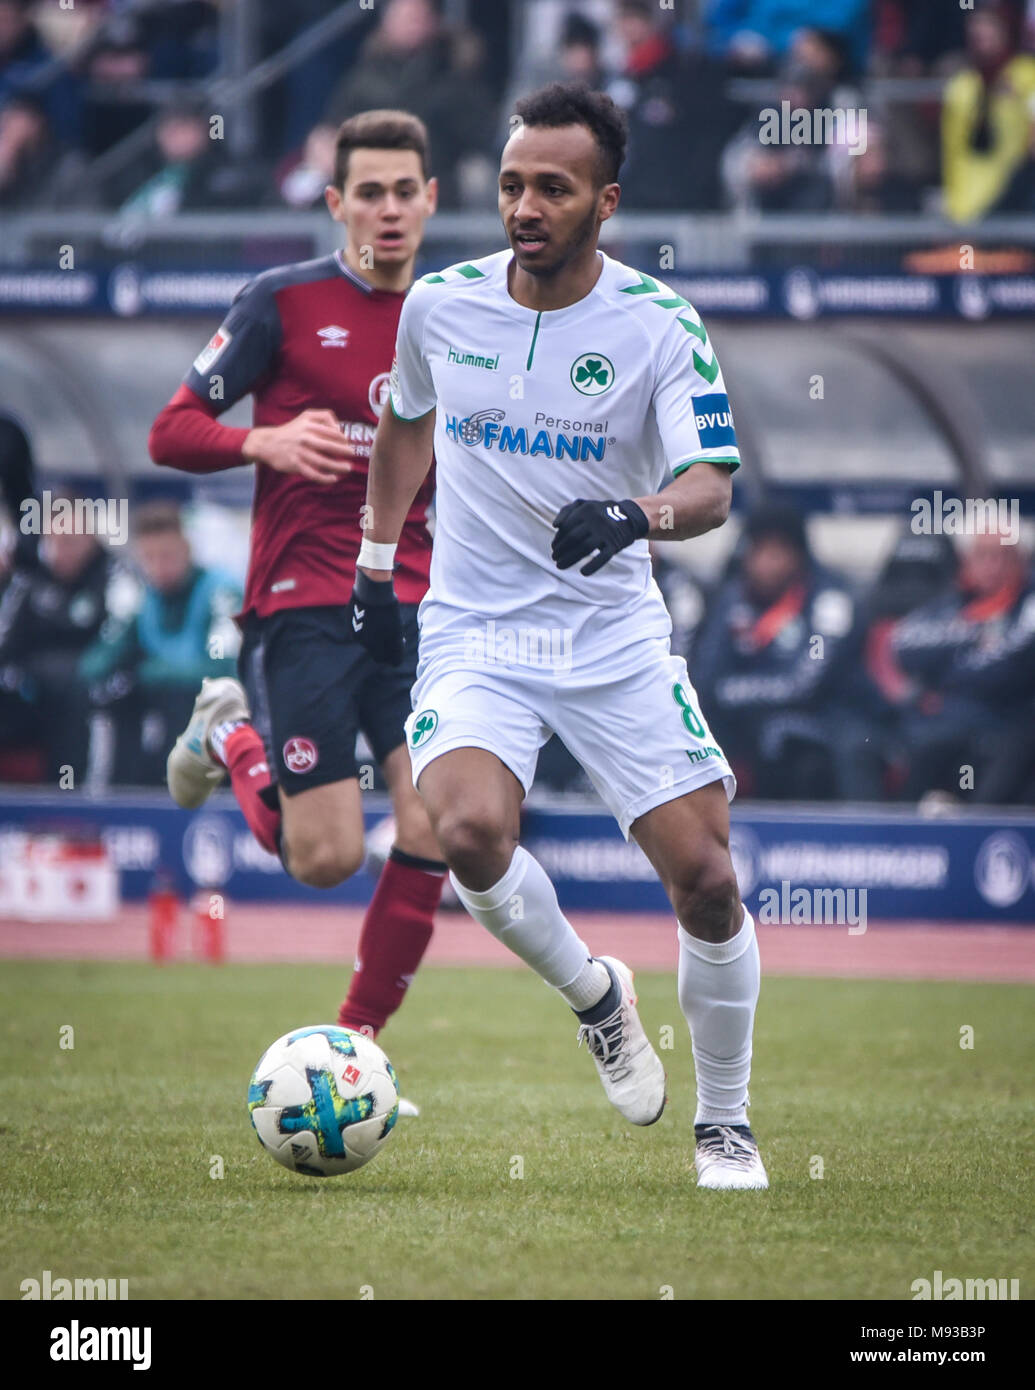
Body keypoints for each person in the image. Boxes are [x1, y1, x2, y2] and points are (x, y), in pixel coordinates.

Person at [349, 82, 767, 1190]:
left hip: (612, 640)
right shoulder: (439, 304)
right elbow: (403, 428)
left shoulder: (658, 323)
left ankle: (724, 1124)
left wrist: (640, 513)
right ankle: (597, 997)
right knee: (470, 828)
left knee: (709, 879)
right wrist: (379, 561)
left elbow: (713, 485)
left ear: (606, 201)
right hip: (478, 633)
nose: (525, 206)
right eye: (512, 185)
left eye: (554, 188)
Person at [148, 111, 445, 1090]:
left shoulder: (464, 313)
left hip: (416, 605)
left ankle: (357, 1040)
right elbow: (172, 430)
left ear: (432, 199)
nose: (389, 209)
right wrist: (261, 442)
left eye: (406, 190)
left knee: (436, 822)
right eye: (369, 191)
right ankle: (229, 735)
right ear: (337, 202)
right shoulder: (281, 300)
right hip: (304, 601)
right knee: (325, 858)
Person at [692, 502, 869, 799]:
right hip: (750, 720)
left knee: (783, 739)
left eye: (775, 553)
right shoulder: (733, 598)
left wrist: (728, 692)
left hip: (832, 717)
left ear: (797, 555)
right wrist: (723, 694)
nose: (764, 563)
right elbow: (705, 677)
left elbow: (804, 685)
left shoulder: (830, 602)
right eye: (756, 552)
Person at [79, 503, 240, 787]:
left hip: (212, 712)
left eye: (167, 556)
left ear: (186, 549)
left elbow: (221, 666)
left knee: (186, 699)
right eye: (149, 558)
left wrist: (148, 674)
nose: (158, 567)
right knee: (115, 698)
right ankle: (119, 796)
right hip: (160, 708)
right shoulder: (138, 594)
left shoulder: (220, 591)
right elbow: (97, 661)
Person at [892, 527, 1035, 803]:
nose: (993, 566)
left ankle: (979, 832)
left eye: (1004, 556)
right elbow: (904, 645)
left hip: (1009, 721)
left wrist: (946, 673)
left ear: (1022, 561)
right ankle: (900, 839)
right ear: (966, 561)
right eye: (983, 555)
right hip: (948, 723)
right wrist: (974, 635)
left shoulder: (1029, 606)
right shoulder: (949, 604)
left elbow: (1007, 668)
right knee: (919, 746)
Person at [0, 495, 112, 783]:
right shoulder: (28, 580)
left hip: (85, 688)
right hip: (30, 688)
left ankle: (71, 791)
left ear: (90, 538)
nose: (63, 551)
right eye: (57, 541)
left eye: (72, 540)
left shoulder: (112, 577)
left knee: (75, 698)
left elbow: (117, 641)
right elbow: (7, 641)